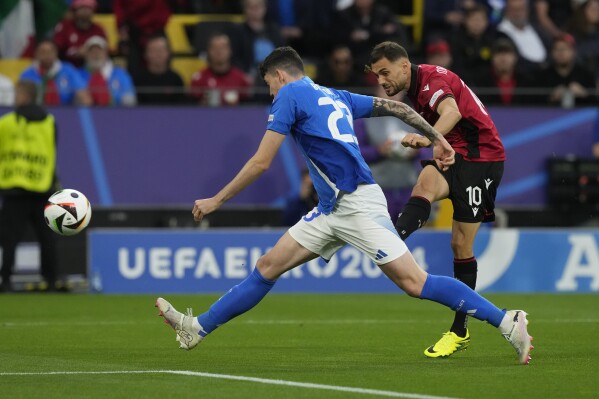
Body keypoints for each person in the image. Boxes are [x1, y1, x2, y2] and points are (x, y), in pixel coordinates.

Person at [156, 46, 533, 366]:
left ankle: (505, 320)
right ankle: (196, 329)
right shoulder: (334, 94)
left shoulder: (290, 95)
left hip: (357, 205)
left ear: (280, 76)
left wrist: (215, 200)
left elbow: (261, 162)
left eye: (269, 84)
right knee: (267, 266)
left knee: (414, 283)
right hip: (330, 208)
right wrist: (437, 137)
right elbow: (395, 109)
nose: (271, 94)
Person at [367, 41, 509, 358]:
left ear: (404, 66)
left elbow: (452, 111)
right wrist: (441, 144)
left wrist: (427, 137)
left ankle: (460, 330)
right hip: (456, 152)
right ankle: (392, 238)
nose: (382, 81)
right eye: (378, 76)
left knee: (461, 245)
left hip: (483, 158)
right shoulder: (417, 87)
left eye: (385, 72)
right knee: (424, 184)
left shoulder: (431, 81)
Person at [0, 80, 59, 292]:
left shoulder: (6, 123)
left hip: (15, 187)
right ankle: (51, 281)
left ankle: (5, 280)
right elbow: (52, 152)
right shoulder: (49, 122)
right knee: (47, 238)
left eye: (17, 94)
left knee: (9, 239)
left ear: (24, 96)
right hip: (42, 185)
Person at [20, 40, 92, 106]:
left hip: (66, 112)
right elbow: (21, 100)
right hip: (36, 113)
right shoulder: (28, 74)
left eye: (50, 52)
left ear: (56, 53)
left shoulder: (68, 70)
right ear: (36, 53)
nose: (47, 55)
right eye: (43, 52)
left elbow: (84, 96)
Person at [534, 33, 596, 107]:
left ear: (573, 52)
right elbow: (531, 104)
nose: (561, 53)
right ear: (552, 53)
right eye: (557, 49)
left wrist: (584, 94)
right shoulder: (542, 77)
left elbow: (595, 103)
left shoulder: (585, 75)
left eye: (565, 49)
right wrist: (551, 97)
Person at [191, 32, 252, 106]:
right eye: (214, 48)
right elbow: (190, 109)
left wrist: (237, 106)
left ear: (230, 51)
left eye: (223, 47)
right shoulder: (199, 79)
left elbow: (250, 107)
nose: (219, 51)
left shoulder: (241, 79)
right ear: (208, 51)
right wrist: (203, 104)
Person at [79, 36, 137, 106]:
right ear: (86, 54)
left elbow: (130, 101)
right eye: (92, 51)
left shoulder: (120, 74)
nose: (96, 54)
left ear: (106, 53)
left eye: (99, 51)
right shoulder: (78, 74)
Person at [473, 38, 533, 105]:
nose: (503, 58)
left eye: (507, 53)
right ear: (492, 58)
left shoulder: (527, 82)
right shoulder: (481, 83)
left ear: (515, 57)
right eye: (498, 53)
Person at [133, 34, 187, 105]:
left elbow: (182, 107)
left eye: (161, 50)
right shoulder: (137, 79)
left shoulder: (176, 79)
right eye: (153, 50)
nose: (158, 54)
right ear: (145, 54)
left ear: (168, 53)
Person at [53, 0, 108, 67]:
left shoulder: (99, 30)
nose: (85, 11)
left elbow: (104, 52)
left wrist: (89, 52)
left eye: (88, 8)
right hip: (67, 67)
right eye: (82, 7)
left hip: (92, 68)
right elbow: (55, 49)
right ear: (75, 10)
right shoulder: (65, 27)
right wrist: (77, 52)